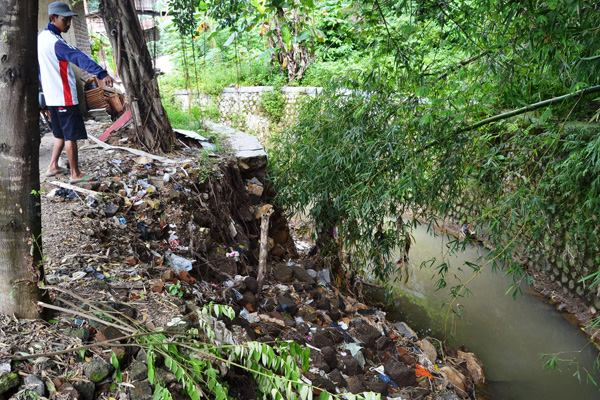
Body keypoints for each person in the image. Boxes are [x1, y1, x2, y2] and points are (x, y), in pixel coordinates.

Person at [38, 1, 115, 183]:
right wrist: (101, 73)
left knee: (60, 134)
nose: (69, 24)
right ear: (53, 18)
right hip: (64, 97)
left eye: (70, 20)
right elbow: (78, 56)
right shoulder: (56, 42)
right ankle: (75, 174)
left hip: (51, 96)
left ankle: (52, 166)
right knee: (71, 136)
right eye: (65, 20)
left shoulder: (41, 38)